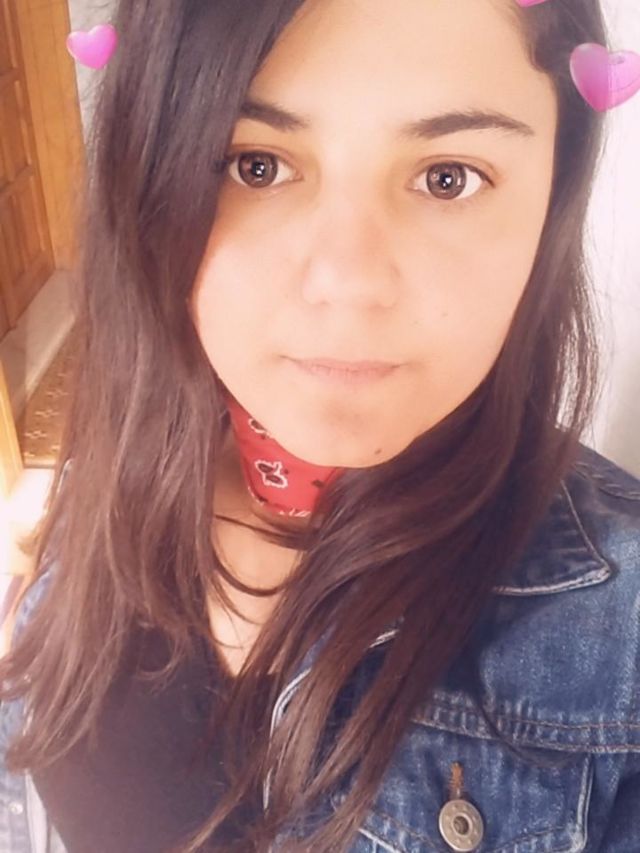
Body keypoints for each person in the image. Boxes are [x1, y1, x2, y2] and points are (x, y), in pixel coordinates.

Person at [1, 0, 639, 850]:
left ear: (551, 201)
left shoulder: (621, 640)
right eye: (256, 165)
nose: (346, 281)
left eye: (448, 177)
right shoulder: (104, 474)